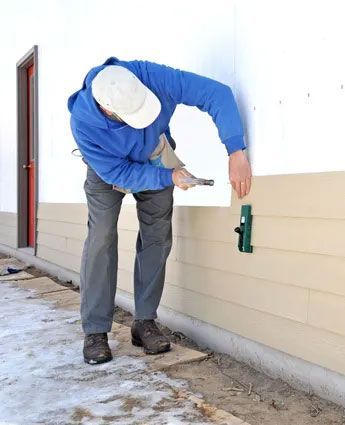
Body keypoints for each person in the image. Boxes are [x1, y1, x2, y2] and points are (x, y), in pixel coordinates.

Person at [68, 57, 251, 365]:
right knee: (101, 237)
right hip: (108, 171)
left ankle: (144, 322)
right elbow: (120, 174)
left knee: (157, 236)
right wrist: (169, 177)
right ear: (108, 110)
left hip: (154, 153)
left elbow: (216, 94)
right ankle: (96, 331)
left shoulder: (152, 76)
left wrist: (236, 150)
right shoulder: (83, 123)